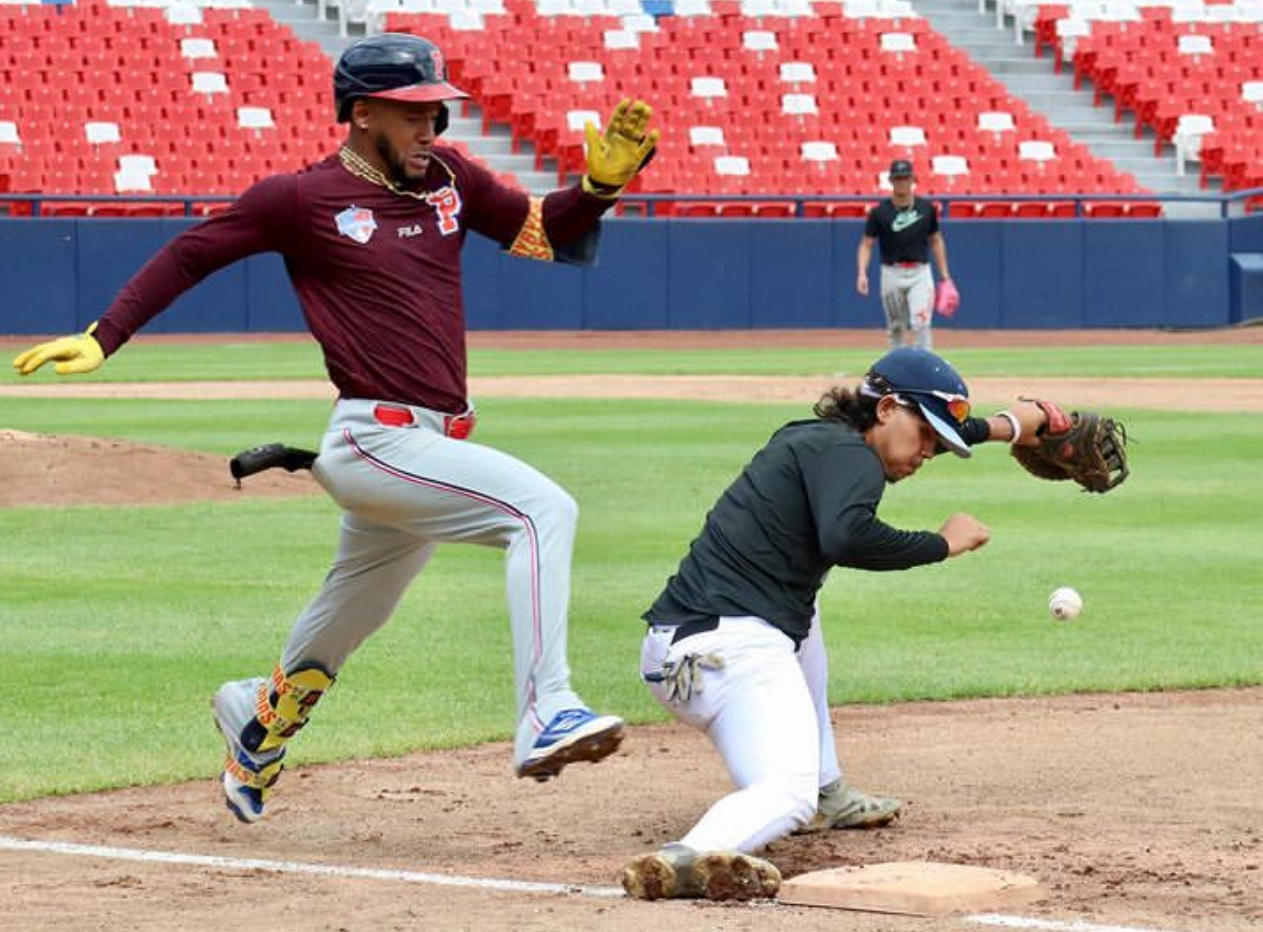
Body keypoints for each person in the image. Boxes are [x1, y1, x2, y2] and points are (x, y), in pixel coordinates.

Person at [11, 33, 659, 824]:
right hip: (376, 441)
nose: (433, 131)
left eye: (438, 113)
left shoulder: (448, 179)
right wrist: (104, 334)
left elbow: (542, 230)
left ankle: (256, 718)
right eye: (415, 114)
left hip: (426, 447)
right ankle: (544, 710)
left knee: (354, 611)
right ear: (361, 115)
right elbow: (191, 255)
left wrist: (597, 186)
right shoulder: (301, 199)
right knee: (541, 509)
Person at [620, 347, 1051, 901]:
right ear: (888, 408)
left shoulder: (821, 441)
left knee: (808, 609)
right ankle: (686, 857)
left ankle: (829, 791)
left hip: (684, 653)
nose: (928, 453)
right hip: (731, 654)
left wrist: (1014, 427)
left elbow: (932, 422)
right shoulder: (853, 460)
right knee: (785, 794)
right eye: (926, 436)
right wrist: (942, 544)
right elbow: (845, 537)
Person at [856, 160, 954, 350]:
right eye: (898, 178)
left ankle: (925, 372)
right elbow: (866, 244)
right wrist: (862, 272)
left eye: (905, 177)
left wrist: (945, 277)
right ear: (891, 181)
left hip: (920, 272)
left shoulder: (926, 209)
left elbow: (936, 240)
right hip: (892, 272)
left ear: (912, 179)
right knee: (896, 328)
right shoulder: (880, 212)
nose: (902, 182)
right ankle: (897, 375)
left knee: (922, 324)